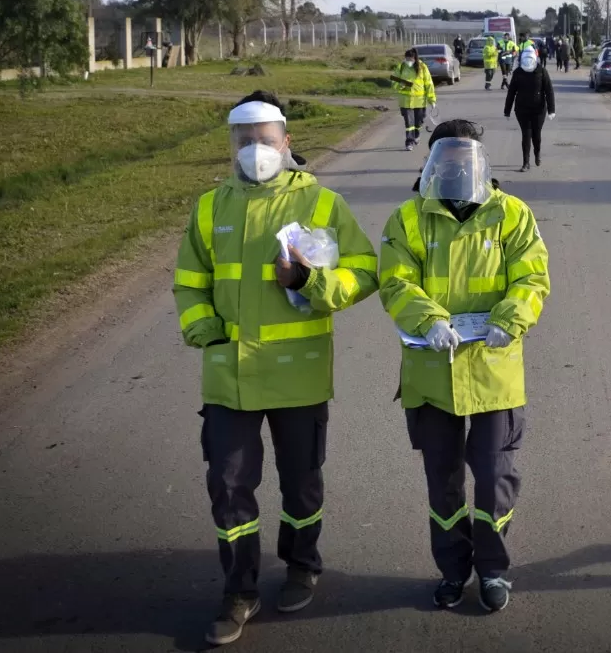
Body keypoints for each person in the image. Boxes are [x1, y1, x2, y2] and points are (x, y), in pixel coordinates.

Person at [172, 91, 380, 646]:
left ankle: (302, 565)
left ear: (287, 142)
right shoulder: (209, 206)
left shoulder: (322, 203)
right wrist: (203, 329)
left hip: (299, 374)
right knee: (228, 483)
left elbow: (363, 273)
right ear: (230, 144)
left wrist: (309, 282)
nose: (255, 150)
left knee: (301, 482)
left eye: (265, 139)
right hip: (230, 376)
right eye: (244, 140)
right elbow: (189, 281)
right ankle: (238, 589)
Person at [377, 119, 551, 614]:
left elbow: (532, 278)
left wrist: (510, 317)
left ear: (479, 161)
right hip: (433, 374)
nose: (455, 167)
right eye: (445, 158)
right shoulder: (408, 218)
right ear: (431, 162)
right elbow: (395, 282)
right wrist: (427, 319)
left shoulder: (511, 215)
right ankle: (452, 571)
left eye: (463, 158)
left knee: (495, 474)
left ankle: (494, 570)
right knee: (443, 479)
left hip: (494, 371)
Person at [503, 44, 555, 172]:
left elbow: (549, 91)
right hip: (522, 110)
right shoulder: (518, 72)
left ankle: (537, 154)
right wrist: (507, 110)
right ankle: (526, 163)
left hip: (539, 110)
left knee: (536, 135)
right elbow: (511, 92)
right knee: (526, 135)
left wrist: (551, 110)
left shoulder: (542, 72)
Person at [390, 47, 436, 152]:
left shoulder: (422, 67)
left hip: (419, 101)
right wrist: (399, 85)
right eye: (406, 59)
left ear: (414, 58)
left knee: (418, 122)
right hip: (405, 101)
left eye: (410, 60)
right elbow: (394, 80)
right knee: (408, 123)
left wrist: (432, 99)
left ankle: (417, 135)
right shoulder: (401, 67)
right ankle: (409, 142)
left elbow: (428, 83)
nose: (408, 62)